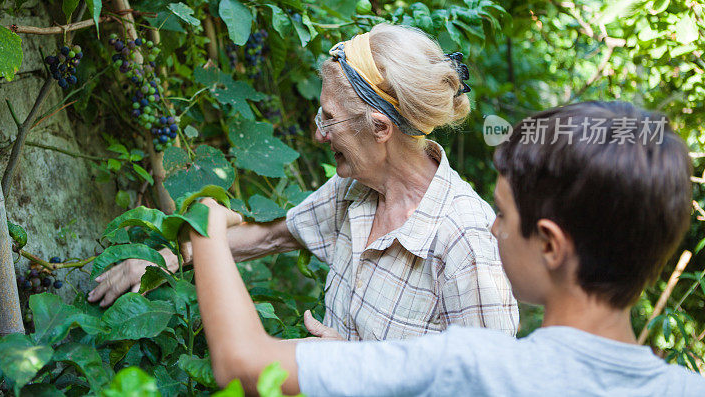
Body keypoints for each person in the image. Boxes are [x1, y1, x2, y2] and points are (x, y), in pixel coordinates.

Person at [191, 101, 705, 395]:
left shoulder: (473, 367)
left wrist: (206, 229)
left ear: (550, 244)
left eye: (503, 214)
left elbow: (242, 363)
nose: (491, 228)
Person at [90, 24, 517, 340]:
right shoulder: (355, 189)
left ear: (381, 127)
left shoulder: (467, 240)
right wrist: (165, 259)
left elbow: (490, 385)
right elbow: (276, 236)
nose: (318, 134)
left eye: (328, 118)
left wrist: (358, 369)